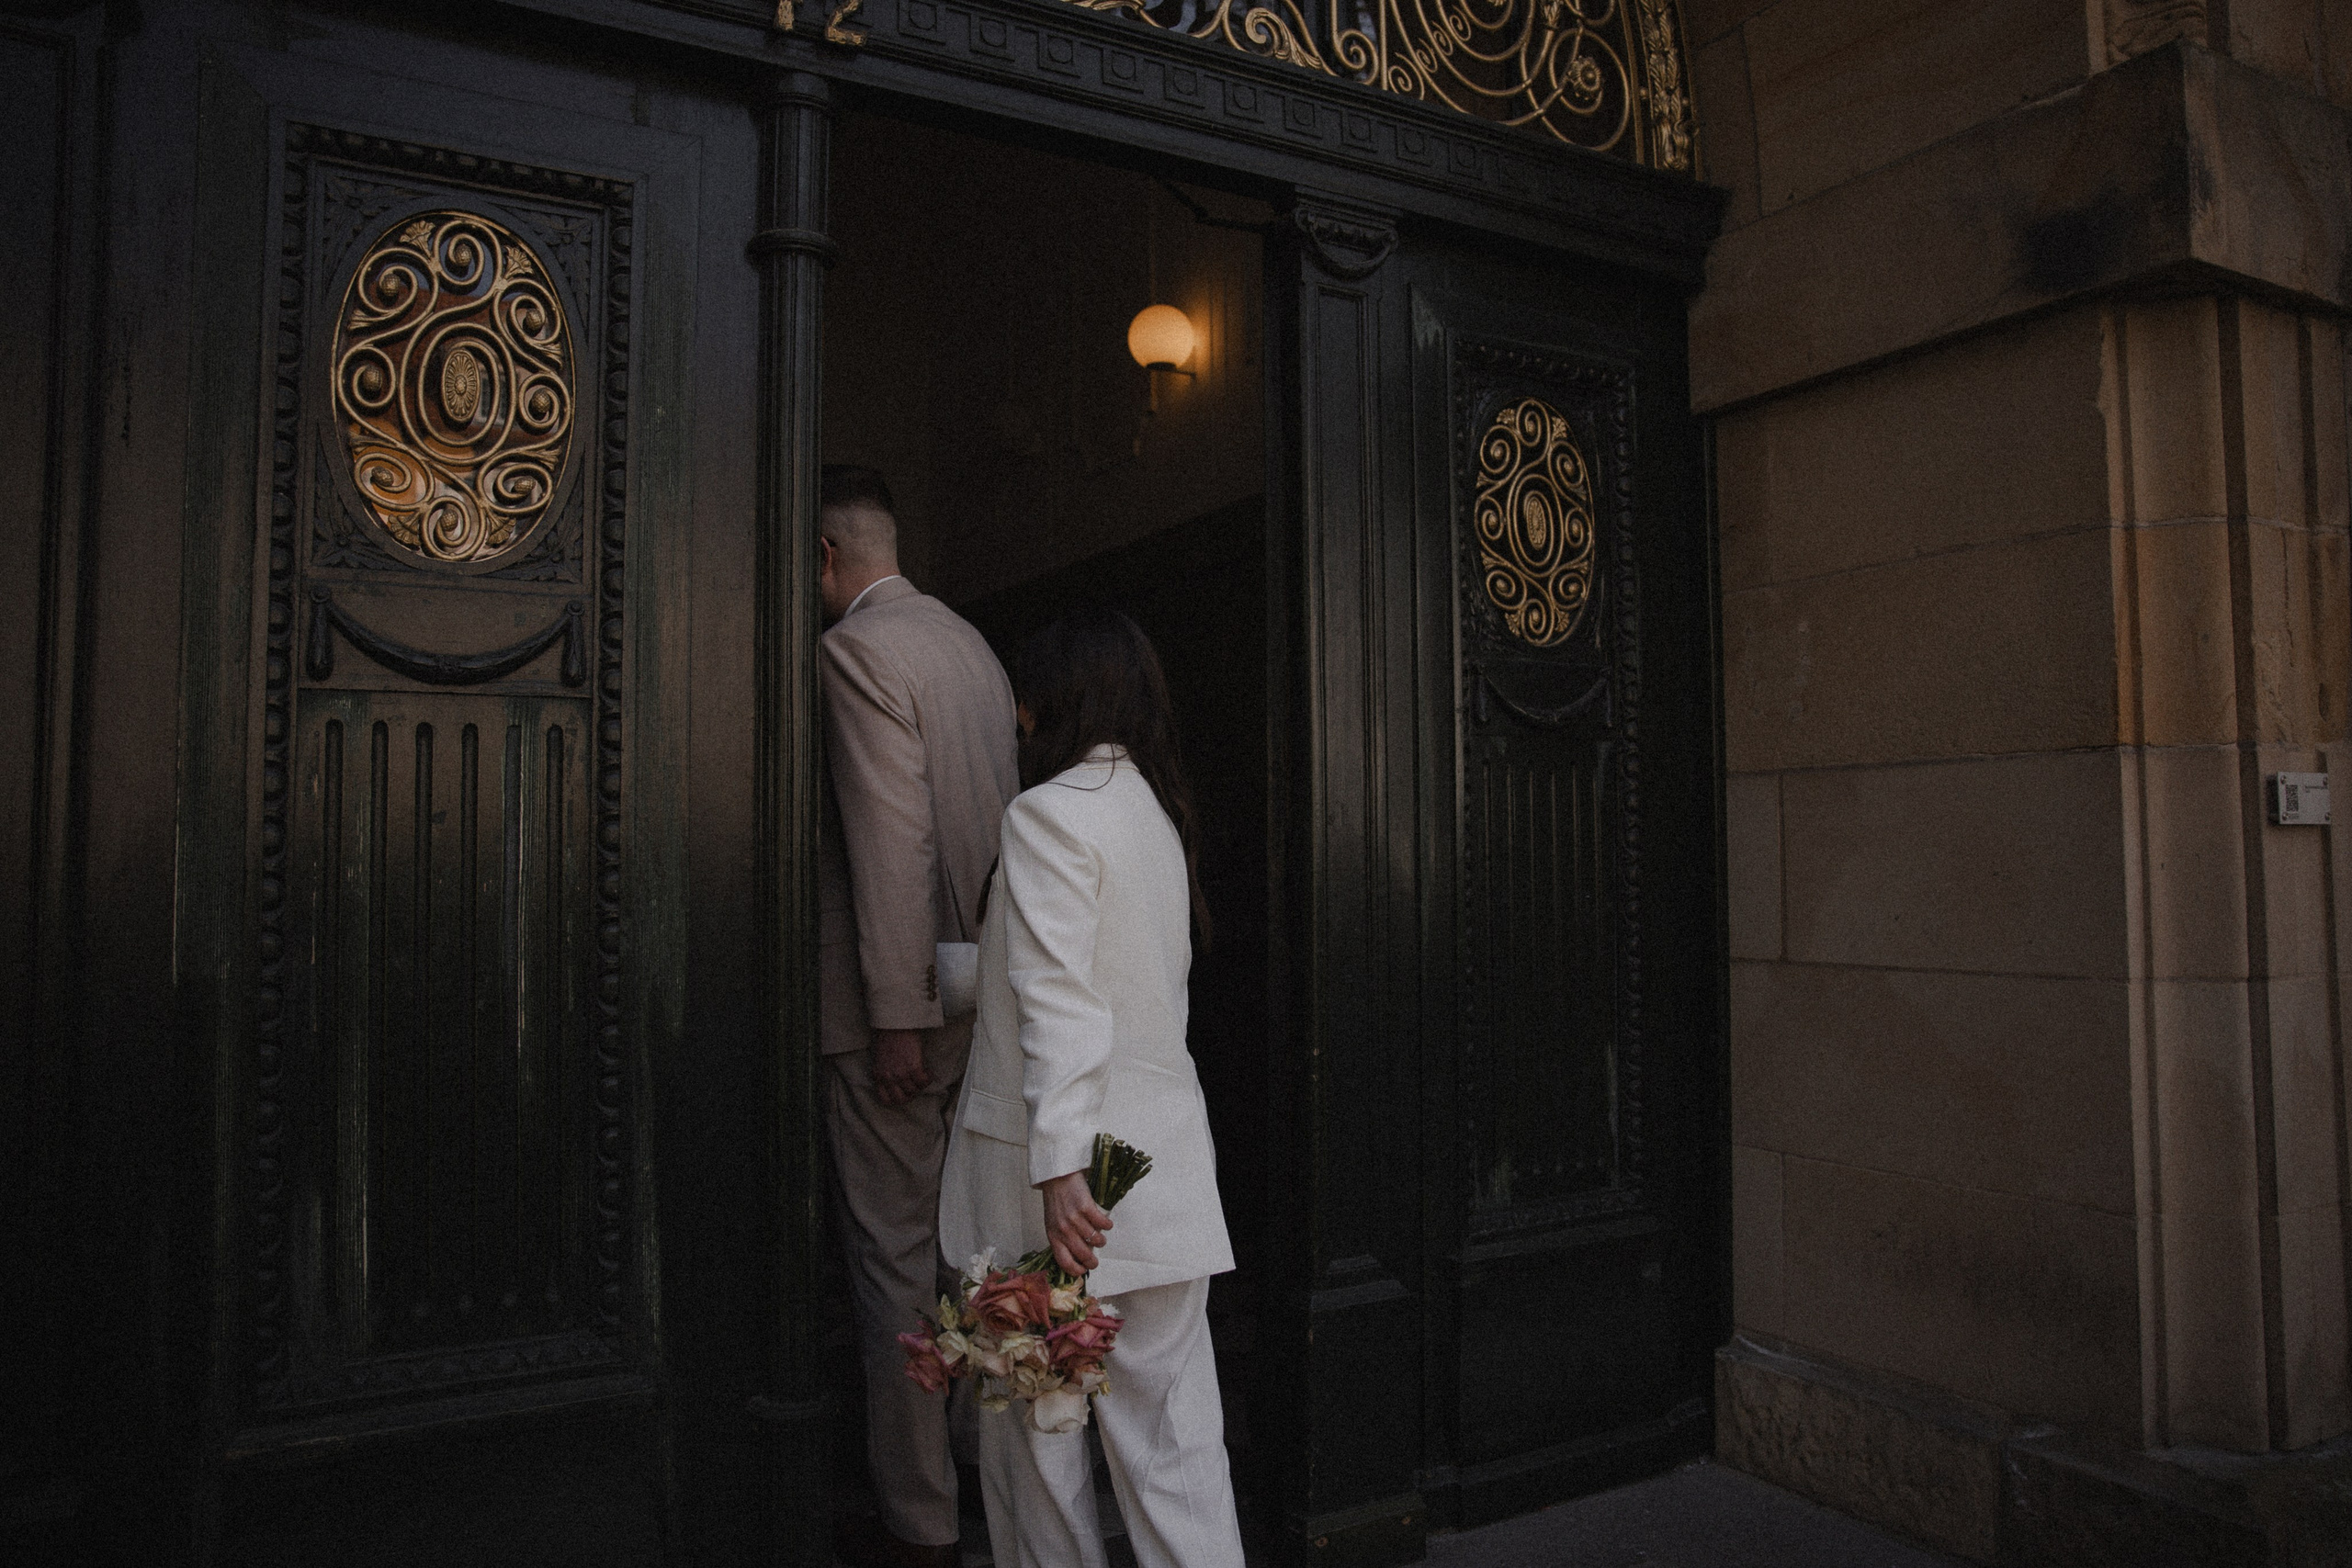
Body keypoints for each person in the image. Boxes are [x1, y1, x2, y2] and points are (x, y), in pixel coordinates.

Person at [938, 607, 1244, 1568]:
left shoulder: (1045, 814)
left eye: (1022, 703)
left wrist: (1062, 1164)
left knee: (1038, 1450)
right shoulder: (1153, 813)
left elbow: (1061, 998)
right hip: (1162, 1178)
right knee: (1175, 1446)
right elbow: (1096, 977)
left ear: (1044, 704)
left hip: (1060, 1194)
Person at [817, 466, 1020, 1568]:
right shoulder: (971, 647)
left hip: (895, 1011)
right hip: (982, 995)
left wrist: (894, 1012)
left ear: (824, 557)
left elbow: (893, 844)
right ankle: (989, 1478)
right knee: (970, 1252)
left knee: (894, 1257)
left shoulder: (855, 649)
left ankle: (920, 1520)